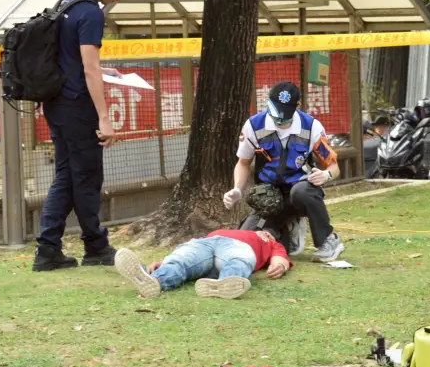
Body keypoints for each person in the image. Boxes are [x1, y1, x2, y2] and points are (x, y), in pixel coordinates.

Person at [33, 0, 139, 272]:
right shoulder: (91, 11)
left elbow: (71, 59)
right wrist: (104, 118)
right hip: (78, 106)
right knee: (88, 176)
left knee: (67, 175)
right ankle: (95, 246)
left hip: (56, 103)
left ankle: (48, 248)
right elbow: (89, 68)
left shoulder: (67, 2)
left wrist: (102, 69)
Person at [224, 81, 344, 263]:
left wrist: (325, 175)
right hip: (270, 198)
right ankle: (288, 229)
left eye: (285, 115)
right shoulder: (253, 126)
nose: (280, 120)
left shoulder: (312, 127)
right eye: (276, 114)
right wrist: (237, 189)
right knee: (248, 240)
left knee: (302, 191)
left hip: (299, 191)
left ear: (298, 106)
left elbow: (334, 167)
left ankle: (328, 240)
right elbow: (243, 163)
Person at [113, 229, 291, 300]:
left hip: (223, 247)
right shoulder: (243, 232)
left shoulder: (271, 243)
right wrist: (164, 261)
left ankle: (226, 283)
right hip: (209, 243)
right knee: (181, 261)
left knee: (240, 259)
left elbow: (280, 259)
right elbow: (191, 253)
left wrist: (280, 266)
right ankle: (154, 280)